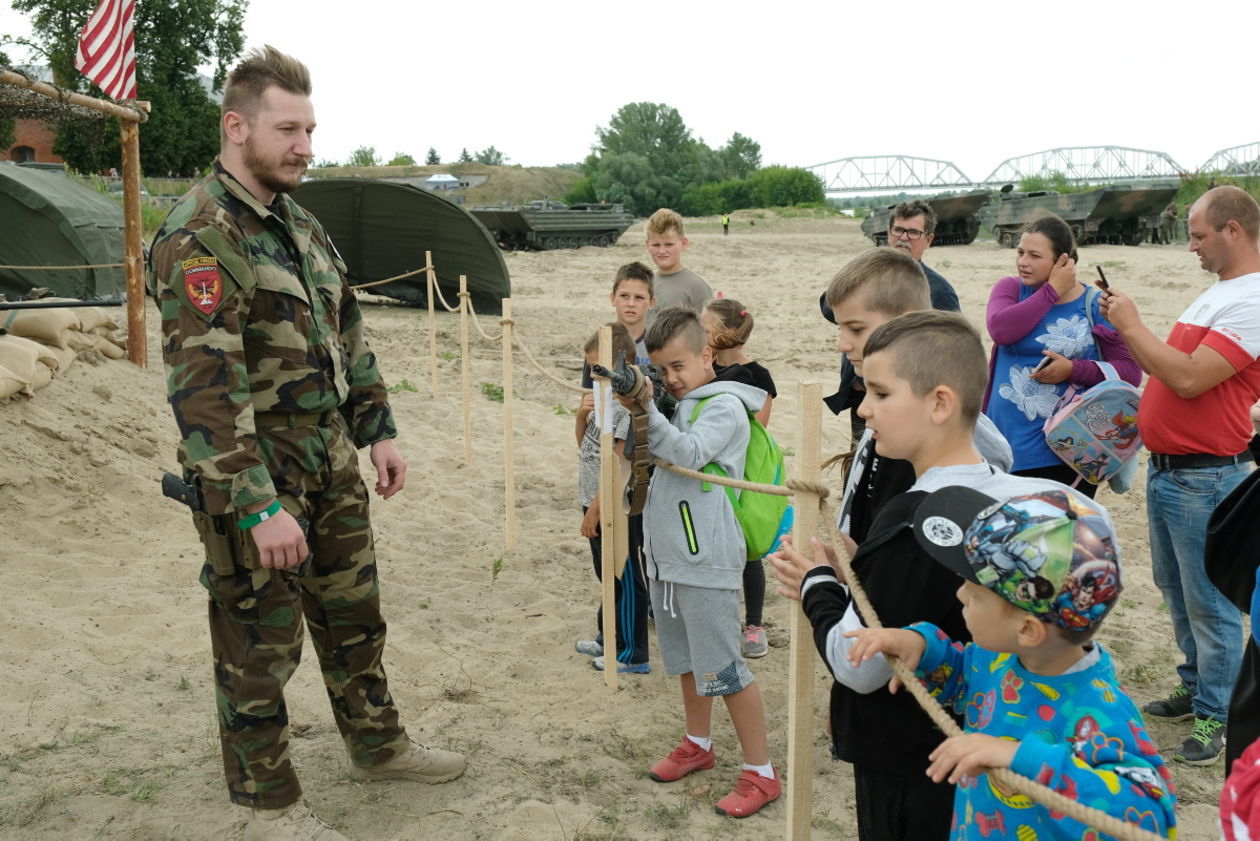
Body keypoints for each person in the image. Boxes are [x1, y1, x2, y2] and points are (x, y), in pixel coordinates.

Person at [146, 46, 465, 841]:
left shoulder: (298, 224)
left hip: (330, 461)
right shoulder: (201, 236)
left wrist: (377, 428)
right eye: (287, 129)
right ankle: (266, 804)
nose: (305, 146)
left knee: (354, 614)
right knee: (260, 640)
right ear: (236, 126)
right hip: (257, 475)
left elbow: (345, 329)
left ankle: (378, 744)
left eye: (310, 129)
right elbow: (205, 392)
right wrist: (257, 508)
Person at [770, 310, 1084, 841]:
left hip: (910, 755)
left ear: (940, 402)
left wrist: (818, 584)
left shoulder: (915, 518)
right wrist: (858, 562)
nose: (864, 409)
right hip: (968, 747)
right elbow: (913, 597)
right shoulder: (995, 493)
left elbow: (860, 664)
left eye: (880, 393)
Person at [845, 485, 1178, 841]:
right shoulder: (1001, 659)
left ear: (1028, 630)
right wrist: (922, 647)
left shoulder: (1100, 711)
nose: (960, 594)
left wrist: (1020, 756)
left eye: (974, 593)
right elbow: (964, 675)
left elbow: (1150, 815)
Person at [1101, 185, 1260, 765]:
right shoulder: (1220, 294)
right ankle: (1197, 688)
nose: (1190, 246)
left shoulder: (1253, 301)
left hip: (1209, 476)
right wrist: (1127, 328)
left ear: (1233, 231)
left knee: (1211, 603)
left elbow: (1190, 379)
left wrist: (1132, 323)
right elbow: (1166, 371)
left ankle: (1217, 711)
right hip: (1174, 473)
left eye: (1198, 235)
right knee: (1177, 592)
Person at [620, 306, 779, 818]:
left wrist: (651, 406)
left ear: (708, 354)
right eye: (659, 370)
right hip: (668, 557)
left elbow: (688, 454)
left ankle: (761, 772)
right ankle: (698, 743)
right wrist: (639, 404)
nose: (670, 379)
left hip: (706, 558)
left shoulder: (726, 407)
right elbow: (642, 453)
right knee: (687, 661)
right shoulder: (677, 399)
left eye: (678, 367)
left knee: (725, 668)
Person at [983, 214, 1141, 496]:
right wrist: (1051, 290)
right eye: (1020, 252)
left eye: (1034, 255)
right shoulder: (1009, 289)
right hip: (1002, 445)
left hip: (1065, 453)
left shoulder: (1094, 305)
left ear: (1062, 261)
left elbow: (1129, 372)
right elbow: (1001, 330)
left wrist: (1074, 370)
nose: (1023, 262)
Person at [820, 200, 960, 440]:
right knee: (859, 461)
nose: (904, 238)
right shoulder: (868, 273)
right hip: (861, 391)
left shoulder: (939, 290)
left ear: (928, 240)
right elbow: (829, 306)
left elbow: (949, 351)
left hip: (904, 401)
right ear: (889, 233)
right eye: (898, 230)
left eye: (914, 232)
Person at [700, 297, 777, 658]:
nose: (699, 333)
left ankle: (755, 624)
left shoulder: (759, 377)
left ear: (725, 333)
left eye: (704, 327)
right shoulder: (704, 366)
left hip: (742, 472)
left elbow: (758, 428)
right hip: (706, 468)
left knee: (747, 550)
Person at [575, 323, 650, 674]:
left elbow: (619, 467)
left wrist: (594, 508)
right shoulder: (602, 402)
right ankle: (609, 635)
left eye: (598, 369)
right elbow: (585, 448)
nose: (591, 375)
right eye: (589, 368)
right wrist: (580, 415)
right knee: (606, 573)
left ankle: (633, 653)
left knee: (624, 571)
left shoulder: (623, 406)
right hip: (593, 498)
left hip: (615, 504)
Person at [575, 262, 656, 434]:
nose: (631, 303)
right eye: (624, 296)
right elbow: (589, 400)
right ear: (612, 298)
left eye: (639, 297)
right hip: (605, 434)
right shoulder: (599, 346)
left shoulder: (658, 347)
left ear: (651, 302)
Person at [644, 209, 713, 322]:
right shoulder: (645, 281)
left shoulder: (697, 286)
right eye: (656, 245)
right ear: (647, 245)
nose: (662, 251)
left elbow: (709, 331)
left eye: (669, 244)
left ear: (684, 244)